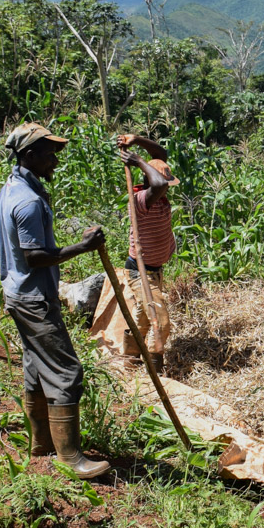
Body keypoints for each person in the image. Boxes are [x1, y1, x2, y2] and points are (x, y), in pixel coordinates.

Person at [0, 122, 110, 480]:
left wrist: (8, 266)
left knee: (36, 365)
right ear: (28, 155)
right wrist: (83, 248)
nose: (55, 161)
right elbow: (36, 256)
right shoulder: (27, 201)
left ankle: (40, 443)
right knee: (66, 372)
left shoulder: (11, 187)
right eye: (49, 154)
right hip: (34, 297)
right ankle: (71, 457)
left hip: (17, 291)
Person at [113, 134, 177, 370]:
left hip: (155, 271)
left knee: (141, 316)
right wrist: (138, 160)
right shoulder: (142, 199)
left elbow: (161, 156)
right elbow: (159, 183)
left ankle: (130, 357)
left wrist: (137, 139)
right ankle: (155, 369)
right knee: (160, 320)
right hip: (141, 272)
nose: (167, 189)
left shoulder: (158, 196)